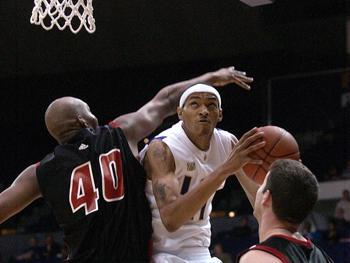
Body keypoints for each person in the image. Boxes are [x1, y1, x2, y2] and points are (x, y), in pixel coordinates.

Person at [0, 66, 253, 262]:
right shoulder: (118, 132)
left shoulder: (41, 171)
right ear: (82, 120)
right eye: (88, 110)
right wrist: (212, 77)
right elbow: (165, 100)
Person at [142, 83, 266, 262]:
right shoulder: (161, 148)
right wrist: (225, 170)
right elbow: (172, 219)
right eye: (194, 104)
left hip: (200, 249)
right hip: (158, 251)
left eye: (211, 105)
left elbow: (259, 201)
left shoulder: (228, 143)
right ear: (179, 113)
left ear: (220, 114)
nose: (204, 111)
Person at [236, 159, 333, 263]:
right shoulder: (323, 258)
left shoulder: (257, 258)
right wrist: (237, 167)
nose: (258, 190)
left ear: (266, 197)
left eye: (262, 185)